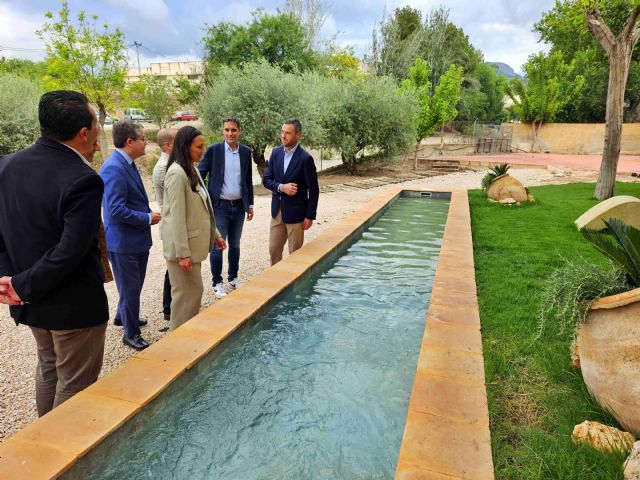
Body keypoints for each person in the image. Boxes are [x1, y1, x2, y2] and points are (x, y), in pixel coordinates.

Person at [0, 90, 109, 416]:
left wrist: (12, 280)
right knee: (75, 384)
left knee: (48, 365)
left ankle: (43, 446)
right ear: (84, 133)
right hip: (72, 306)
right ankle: (67, 462)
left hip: (30, 303)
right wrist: (20, 285)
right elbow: (70, 251)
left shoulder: (6, 166)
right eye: (95, 126)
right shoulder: (83, 179)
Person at [100, 121, 160, 350]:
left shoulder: (127, 163)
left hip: (134, 240)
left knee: (132, 286)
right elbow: (115, 210)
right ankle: (131, 334)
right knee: (131, 288)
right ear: (130, 142)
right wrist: (147, 218)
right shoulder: (114, 168)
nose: (146, 142)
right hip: (124, 243)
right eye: (143, 138)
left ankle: (122, 316)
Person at [161, 126, 226, 330]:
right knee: (185, 297)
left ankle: (184, 337)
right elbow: (176, 218)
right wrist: (183, 254)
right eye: (199, 146)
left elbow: (202, 209)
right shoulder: (176, 174)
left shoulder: (191, 169)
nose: (203, 150)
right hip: (183, 250)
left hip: (190, 248)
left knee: (192, 294)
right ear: (186, 147)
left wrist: (215, 235)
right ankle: (177, 342)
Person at [198, 117, 254, 298]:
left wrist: (250, 204)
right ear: (223, 131)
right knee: (218, 245)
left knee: (235, 245)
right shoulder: (214, 151)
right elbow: (200, 175)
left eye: (233, 130)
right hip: (219, 206)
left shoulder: (246, 152)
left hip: (239, 207)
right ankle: (217, 282)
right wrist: (205, 201)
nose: (230, 133)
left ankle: (233, 277)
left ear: (239, 131)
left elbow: (248, 181)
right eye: (227, 130)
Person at [263, 119, 319, 265]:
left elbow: (314, 190)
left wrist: (309, 215)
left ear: (298, 135)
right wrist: (282, 187)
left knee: (295, 255)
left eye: (288, 133)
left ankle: (293, 286)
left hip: (297, 214)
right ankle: (276, 283)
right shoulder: (275, 153)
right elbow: (266, 180)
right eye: (282, 132)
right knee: (274, 250)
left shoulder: (305, 159)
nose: (283, 136)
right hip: (277, 211)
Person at [152, 128, 178, 320]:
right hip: (171, 224)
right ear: (168, 145)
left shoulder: (170, 164)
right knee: (173, 266)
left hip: (172, 222)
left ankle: (171, 306)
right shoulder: (163, 168)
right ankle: (169, 308)